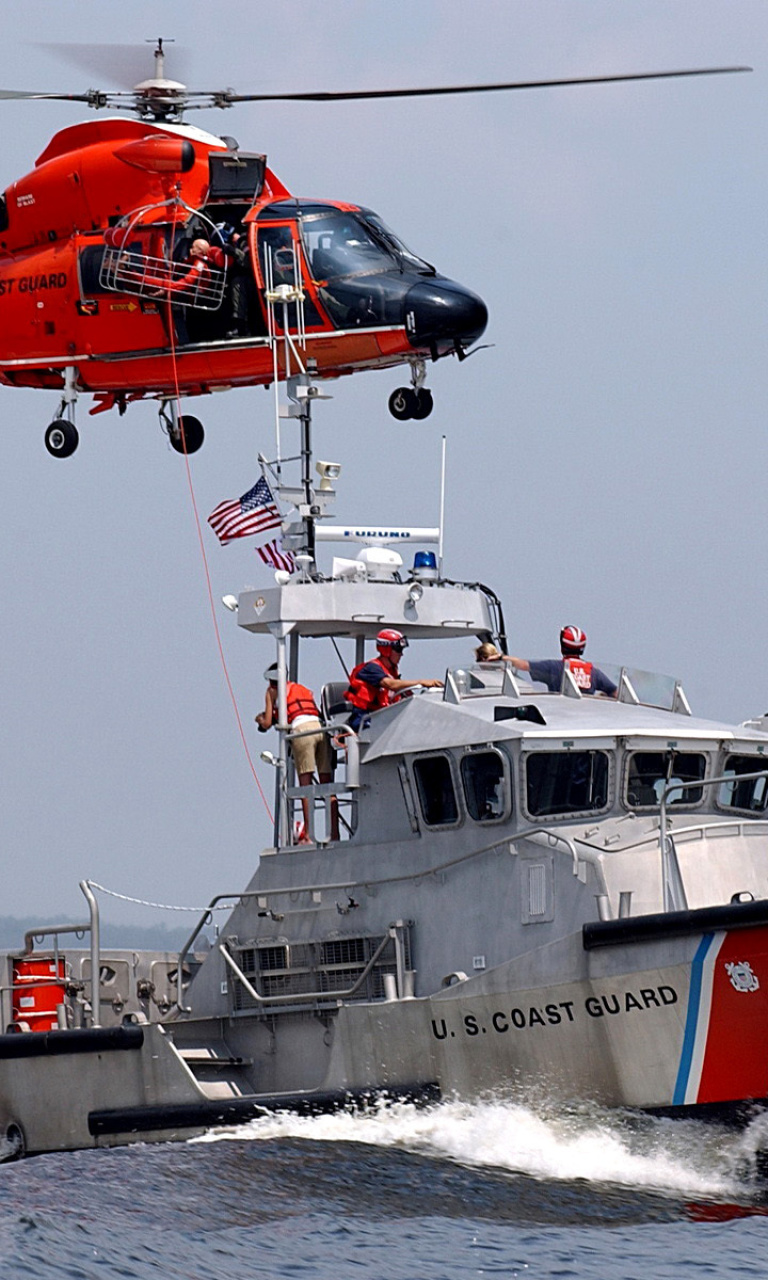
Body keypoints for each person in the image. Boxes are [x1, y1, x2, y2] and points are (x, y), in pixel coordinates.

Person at [256, 665, 339, 843]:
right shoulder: (301, 689)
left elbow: (268, 722)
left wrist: (260, 719)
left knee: (305, 786)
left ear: (271, 680)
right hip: (320, 728)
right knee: (328, 785)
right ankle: (335, 833)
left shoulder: (272, 692)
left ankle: (308, 835)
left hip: (301, 732)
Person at [345, 629, 444, 732]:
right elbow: (390, 684)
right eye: (398, 650)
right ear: (386, 650)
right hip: (363, 719)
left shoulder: (391, 671)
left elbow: (400, 691)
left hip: (381, 717)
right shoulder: (371, 668)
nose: (401, 654)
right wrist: (422, 682)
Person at [478, 626, 617, 697]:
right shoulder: (593, 672)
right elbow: (615, 692)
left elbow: (523, 665)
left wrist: (502, 658)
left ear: (562, 645)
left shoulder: (554, 667)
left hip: (560, 719)